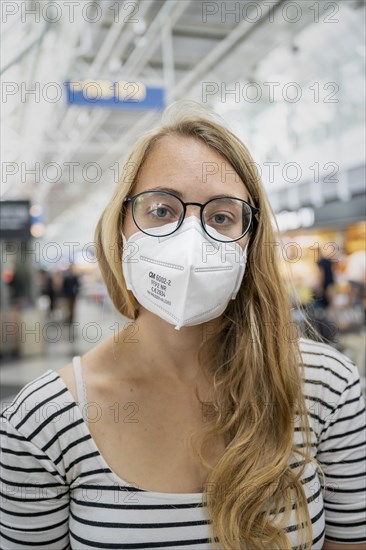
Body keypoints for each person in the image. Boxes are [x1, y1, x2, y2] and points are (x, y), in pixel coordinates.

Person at [1, 104, 365, 550]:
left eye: (221, 217)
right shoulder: (41, 421)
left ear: (250, 242)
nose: (191, 241)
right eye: (161, 209)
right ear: (121, 228)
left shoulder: (325, 387)